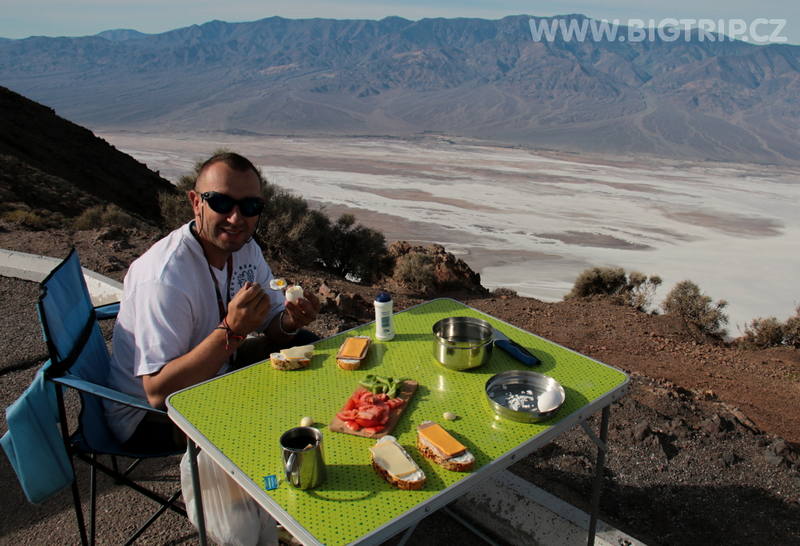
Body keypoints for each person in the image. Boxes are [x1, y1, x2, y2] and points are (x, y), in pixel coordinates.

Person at [105, 152, 320, 451]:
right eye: (221, 203)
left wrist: (290, 321)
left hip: (218, 372)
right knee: (275, 414)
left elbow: (275, 328)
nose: (236, 218)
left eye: (250, 206)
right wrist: (232, 330)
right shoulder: (164, 278)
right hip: (151, 417)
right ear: (196, 202)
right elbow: (159, 393)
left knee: (306, 344)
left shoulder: (245, 248)